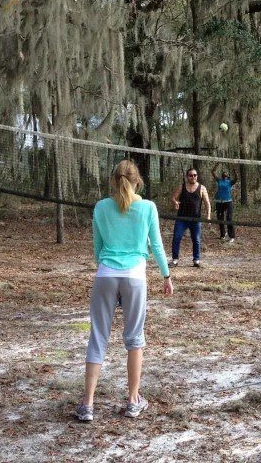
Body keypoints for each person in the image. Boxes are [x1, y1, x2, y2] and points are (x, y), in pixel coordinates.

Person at [76, 160, 172, 423]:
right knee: (134, 338)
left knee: (98, 337)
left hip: (106, 275)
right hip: (135, 277)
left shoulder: (101, 207)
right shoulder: (148, 208)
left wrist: (105, 268)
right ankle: (133, 400)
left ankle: (88, 404)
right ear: (138, 180)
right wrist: (166, 275)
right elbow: (157, 246)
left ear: (113, 180)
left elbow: (97, 247)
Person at [171, 167, 211, 267]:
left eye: (195, 175)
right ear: (187, 176)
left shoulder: (202, 188)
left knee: (196, 239)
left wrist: (208, 216)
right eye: (191, 175)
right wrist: (175, 202)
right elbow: (173, 198)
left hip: (195, 219)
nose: (193, 177)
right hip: (182, 218)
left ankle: (196, 260)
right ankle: (175, 259)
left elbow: (207, 203)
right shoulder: (182, 186)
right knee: (177, 237)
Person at [211, 164, 238, 242]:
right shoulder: (219, 180)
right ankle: (223, 234)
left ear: (227, 175)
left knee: (229, 218)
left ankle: (232, 236)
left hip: (228, 202)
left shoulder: (230, 182)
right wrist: (217, 164)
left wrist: (234, 170)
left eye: (226, 173)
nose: (224, 173)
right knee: (220, 218)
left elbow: (236, 178)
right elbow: (212, 172)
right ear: (222, 175)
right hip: (219, 202)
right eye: (223, 173)